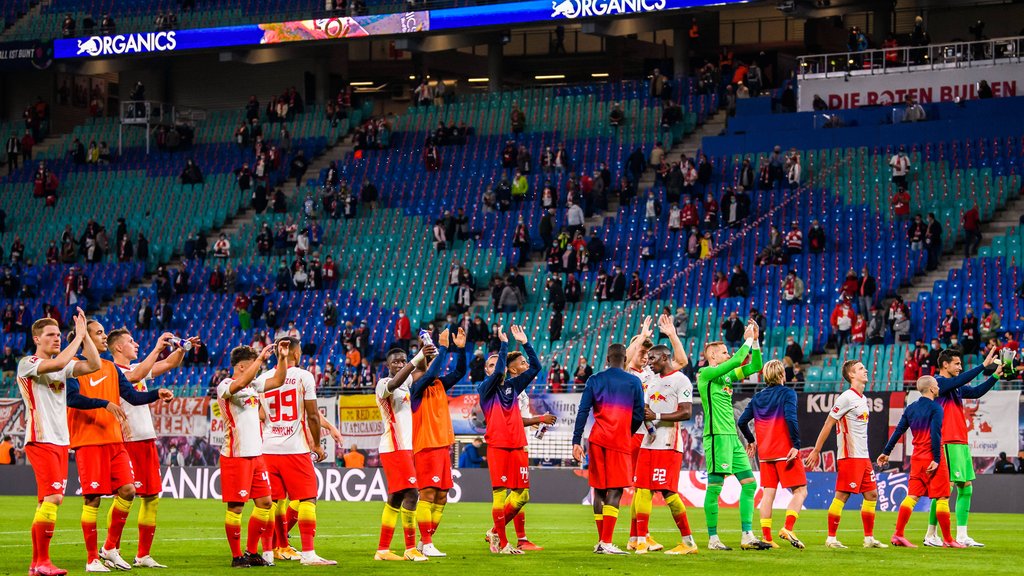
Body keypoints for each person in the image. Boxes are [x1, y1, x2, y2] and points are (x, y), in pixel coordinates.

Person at [70, 319, 176, 572]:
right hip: (89, 439)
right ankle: (92, 559)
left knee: (128, 490)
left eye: (104, 333)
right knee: (93, 499)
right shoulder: (73, 366)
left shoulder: (111, 368)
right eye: (99, 333)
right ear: (85, 338)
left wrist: (156, 393)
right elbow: (72, 398)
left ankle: (109, 549)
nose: (104, 336)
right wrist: (104, 404)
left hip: (114, 440)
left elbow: (133, 396)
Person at [18, 313, 103, 576]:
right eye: (50, 335)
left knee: (45, 501)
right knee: (54, 498)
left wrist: (85, 335)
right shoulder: (27, 363)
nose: (56, 339)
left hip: (61, 441)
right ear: (36, 339)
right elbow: (60, 363)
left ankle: (36, 565)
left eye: (58, 335)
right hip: (41, 438)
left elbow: (94, 364)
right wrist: (77, 336)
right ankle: (43, 562)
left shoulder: (61, 365)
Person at [110, 329, 194, 568]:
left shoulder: (140, 368)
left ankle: (142, 555)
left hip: (146, 438)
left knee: (151, 497)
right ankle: (111, 548)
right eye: (130, 341)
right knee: (123, 496)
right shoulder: (113, 371)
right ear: (117, 347)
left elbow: (169, 363)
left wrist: (181, 348)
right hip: (127, 440)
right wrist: (157, 346)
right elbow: (136, 375)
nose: (135, 344)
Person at [253, 337, 335, 566]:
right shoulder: (303, 376)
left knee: (273, 502)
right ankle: (309, 554)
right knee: (308, 497)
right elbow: (311, 415)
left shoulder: (263, 378)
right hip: (295, 449)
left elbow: (259, 414)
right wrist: (317, 445)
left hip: (267, 448)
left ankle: (272, 550)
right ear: (297, 354)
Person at [697, 322, 770, 550]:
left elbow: (756, 365)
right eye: (724, 352)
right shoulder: (706, 374)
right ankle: (713, 539)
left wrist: (756, 340)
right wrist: (747, 338)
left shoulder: (726, 377)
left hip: (732, 437)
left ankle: (747, 535)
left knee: (749, 484)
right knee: (715, 486)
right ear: (713, 357)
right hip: (717, 435)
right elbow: (739, 360)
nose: (728, 355)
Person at [804, 360, 888, 549]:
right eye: (860, 369)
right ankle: (831, 539)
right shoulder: (846, 397)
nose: (865, 370)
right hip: (850, 456)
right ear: (851, 375)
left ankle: (868, 539)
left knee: (872, 495)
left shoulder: (862, 398)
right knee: (842, 495)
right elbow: (828, 424)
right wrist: (817, 450)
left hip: (863, 457)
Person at [922, 347, 1001, 547]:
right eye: (956, 364)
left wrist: (995, 376)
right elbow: (959, 381)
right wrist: (983, 366)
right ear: (945, 365)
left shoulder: (955, 387)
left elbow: (975, 392)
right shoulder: (937, 383)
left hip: (960, 441)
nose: (960, 367)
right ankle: (931, 534)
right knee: (944, 490)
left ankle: (962, 535)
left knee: (966, 487)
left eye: (960, 364)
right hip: (947, 441)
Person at [572, 343, 645, 555]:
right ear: (625, 360)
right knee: (616, 489)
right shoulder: (634, 381)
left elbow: (583, 411)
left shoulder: (594, 380)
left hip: (596, 440)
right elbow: (639, 414)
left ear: (607, 359)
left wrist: (576, 441)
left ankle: (601, 541)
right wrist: (626, 431)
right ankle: (606, 542)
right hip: (618, 441)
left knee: (600, 490)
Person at [216, 343, 283, 567]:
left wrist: (282, 359)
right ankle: (236, 557)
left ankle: (252, 552)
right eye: (253, 363)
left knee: (265, 503)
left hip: (256, 455)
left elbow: (278, 381)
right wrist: (261, 359)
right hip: (236, 455)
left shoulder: (254, 385)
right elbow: (240, 383)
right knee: (236, 507)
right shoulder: (225, 385)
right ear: (243, 366)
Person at [878, 375, 963, 548]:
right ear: (932, 389)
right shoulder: (936, 408)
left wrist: (886, 451)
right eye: (937, 385)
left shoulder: (911, 408)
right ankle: (948, 539)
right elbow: (935, 434)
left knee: (912, 496)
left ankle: (898, 535)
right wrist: (937, 459)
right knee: (942, 498)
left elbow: (898, 431)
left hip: (916, 458)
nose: (939, 387)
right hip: (932, 457)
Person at [480, 325, 541, 554]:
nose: (497, 368)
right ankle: (504, 543)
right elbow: (497, 374)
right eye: (492, 365)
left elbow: (536, 367)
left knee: (523, 494)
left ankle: (495, 532)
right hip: (497, 446)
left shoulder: (513, 387)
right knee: (499, 493)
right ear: (487, 371)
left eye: (499, 363)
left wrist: (525, 343)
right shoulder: (485, 388)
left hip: (517, 444)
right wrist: (504, 345)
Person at [631, 344, 698, 555]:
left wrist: (657, 417)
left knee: (668, 492)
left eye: (653, 358)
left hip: (669, 444)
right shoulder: (651, 382)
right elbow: (647, 411)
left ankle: (688, 543)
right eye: (648, 358)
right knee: (642, 489)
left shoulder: (681, 380)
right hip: (648, 443)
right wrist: (646, 418)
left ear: (665, 357)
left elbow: (686, 412)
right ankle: (641, 540)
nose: (649, 362)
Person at [408, 328, 467, 557]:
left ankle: (426, 541)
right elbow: (431, 373)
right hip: (426, 447)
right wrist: (442, 347)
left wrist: (460, 350)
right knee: (428, 495)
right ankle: (427, 541)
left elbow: (460, 371)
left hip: (442, 447)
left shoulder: (439, 384)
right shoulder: (416, 389)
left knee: (442, 496)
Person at [738, 360, 807, 549]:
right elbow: (791, 419)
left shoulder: (757, 398)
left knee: (768, 493)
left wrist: (751, 441)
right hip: (785, 451)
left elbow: (742, 422)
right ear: (781, 375)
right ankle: (787, 528)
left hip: (766, 454)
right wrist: (796, 445)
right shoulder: (788, 393)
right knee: (800, 491)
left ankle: (767, 538)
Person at [374, 347, 429, 562]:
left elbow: (422, 373)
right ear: (388, 365)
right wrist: (416, 358)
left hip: (405, 447)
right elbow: (395, 382)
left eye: (402, 361)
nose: (399, 364)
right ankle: (409, 548)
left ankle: (382, 550)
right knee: (412, 494)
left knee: (395, 497)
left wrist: (425, 354)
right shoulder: (382, 384)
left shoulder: (407, 383)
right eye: (396, 361)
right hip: (394, 447)